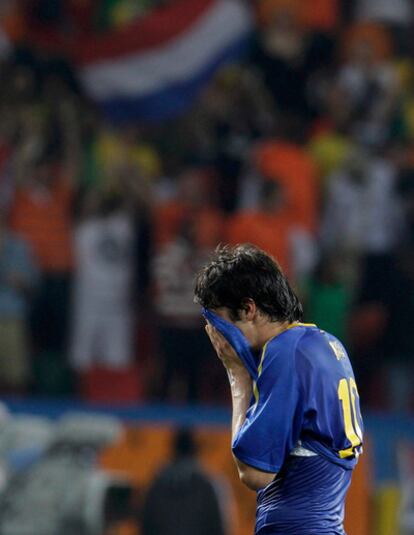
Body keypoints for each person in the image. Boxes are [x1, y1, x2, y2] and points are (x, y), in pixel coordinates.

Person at [194, 244, 363, 535]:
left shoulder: (284, 352)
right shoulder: (326, 344)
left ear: (248, 309)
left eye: (217, 324)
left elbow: (255, 472)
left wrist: (237, 376)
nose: (216, 338)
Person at [141, 428, 228, 535]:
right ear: (195, 450)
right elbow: (221, 528)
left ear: (174, 450)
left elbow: (146, 526)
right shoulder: (209, 484)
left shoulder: (157, 484)